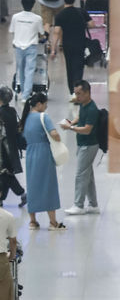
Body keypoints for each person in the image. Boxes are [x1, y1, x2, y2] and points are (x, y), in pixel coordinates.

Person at [18, 93, 65, 230]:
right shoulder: (43, 117)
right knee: (48, 186)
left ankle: (32, 221)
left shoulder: (25, 118)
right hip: (44, 153)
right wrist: (58, 139)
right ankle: (52, 222)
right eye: (45, 104)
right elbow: (54, 134)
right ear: (39, 104)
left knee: (32, 186)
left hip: (30, 154)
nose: (46, 107)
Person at [61, 80, 101, 216]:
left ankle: (79, 205)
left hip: (89, 145)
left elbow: (87, 130)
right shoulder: (84, 105)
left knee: (80, 174)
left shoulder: (92, 109)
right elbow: (80, 116)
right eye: (76, 93)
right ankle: (93, 204)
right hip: (83, 144)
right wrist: (72, 122)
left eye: (80, 94)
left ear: (87, 92)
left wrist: (70, 128)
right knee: (87, 175)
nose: (77, 97)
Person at [52, 0, 95, 94]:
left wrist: (53, 49)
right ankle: (78, 90)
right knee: (79, 68)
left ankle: (72, 91)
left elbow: (56, 32)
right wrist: (83, 25)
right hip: (80, 44)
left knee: (70, 67)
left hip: (68, 45)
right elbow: (92, 24)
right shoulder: (81, 12)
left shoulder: (60, 15)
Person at [0, 86, 26, 205]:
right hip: (13, 147)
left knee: (4, 174)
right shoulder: (12, 111)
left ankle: (22, 194)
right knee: (6, 173)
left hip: (2, 149)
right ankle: (0, 199)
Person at [9, 0, 45, 102]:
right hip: (31, 47)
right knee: (29, 70)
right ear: (33, 5)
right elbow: (42, 33)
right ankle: (26, 95)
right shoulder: (37, 18)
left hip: (18, 47)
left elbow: (12, 31)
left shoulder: (16, 17)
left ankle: (24, 91)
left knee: (21, 70)